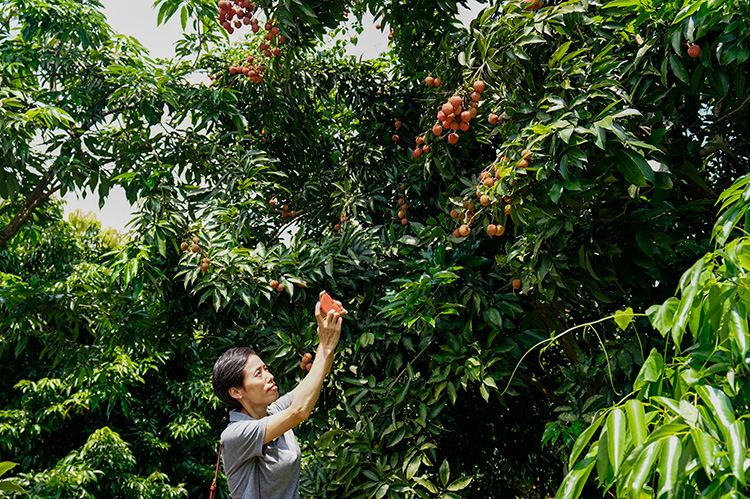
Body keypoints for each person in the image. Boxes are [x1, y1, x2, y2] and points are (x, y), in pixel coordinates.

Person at [211, 292, 344, 499]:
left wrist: (328, 334)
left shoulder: (273, 412)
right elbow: (299, 411)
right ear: (236, 391)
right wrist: (326, 346)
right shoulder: (235, 434)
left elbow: (316, 377)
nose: (270, 376)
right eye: (258, 373)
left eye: (266, 368)